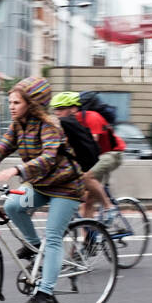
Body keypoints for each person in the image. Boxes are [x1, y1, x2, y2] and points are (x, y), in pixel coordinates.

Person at [0, 76, 85, 303]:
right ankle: (35, 246)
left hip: (65, 188)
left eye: (16, 102)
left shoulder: (50, 126)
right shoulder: (17, 126)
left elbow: (48, 159)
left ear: (31, 104)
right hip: (39, 185)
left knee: (54, 236)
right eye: (10, 102)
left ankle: (45, 292)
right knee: (13, 205)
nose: (11, 106)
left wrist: (18, 169)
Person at [49, 91, 126, 226]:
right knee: (87, 203)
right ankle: (87, 242)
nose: (57, 113)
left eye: (61, 109)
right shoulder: (68, 124)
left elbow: (91, 146)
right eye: (55, 110)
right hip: (96, 157)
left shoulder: (91, 117)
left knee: (87, 178)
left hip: (112, 153)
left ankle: (109, 207)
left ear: (73, 109)